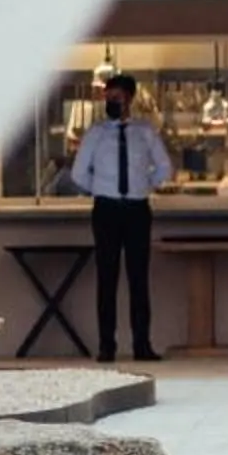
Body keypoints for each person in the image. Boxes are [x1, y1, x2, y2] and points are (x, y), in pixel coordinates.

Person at [72, 73, 170, 361]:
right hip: (107, 209)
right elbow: (79, 173)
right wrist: (102, 191)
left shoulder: (144, 131)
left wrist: (144, 184)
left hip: (137, 208)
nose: (112, 102)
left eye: (117, 97)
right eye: (108, 97)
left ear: (129, 98)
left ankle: (142, 344)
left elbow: (164, 166)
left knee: (138, 277)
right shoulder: (96, 133)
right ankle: (107, 345)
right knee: (107, 276)